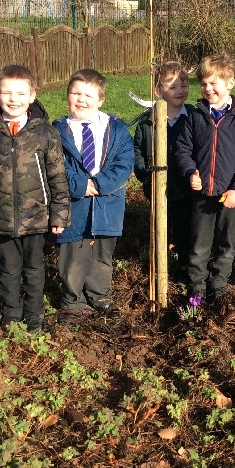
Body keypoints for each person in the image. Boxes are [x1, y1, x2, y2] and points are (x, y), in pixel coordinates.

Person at [0, 65, 70, 333]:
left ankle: (35, 313)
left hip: (36, 216)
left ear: (32, 95)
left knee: (34, 268)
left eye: (21, 93)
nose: (14, 99)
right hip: (0, 217)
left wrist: (59, 214)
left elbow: (57, 176)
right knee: (9, 269)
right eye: (7, 93)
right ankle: (11, 313)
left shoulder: (46, 133)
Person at [54, 69, 134, 317]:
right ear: (67, 95)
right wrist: (79, 185)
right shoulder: (57, 132)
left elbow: (124, 164)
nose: (81, 100)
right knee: (72, 256)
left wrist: (99, 184)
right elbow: (55, 166)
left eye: (89, 95)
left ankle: (99, 296)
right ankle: (73, 302)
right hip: (73, 204)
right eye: (75, 93)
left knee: (102, 255)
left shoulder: (117, 130)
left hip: (107, 204)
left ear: (101, 100)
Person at [175, 52, 235, 306]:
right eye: (204, 84)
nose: (208, 89)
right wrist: (190, 172)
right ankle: (197, 288)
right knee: (199, 244)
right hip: (202, 194)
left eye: (214, 83)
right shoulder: (195, 116)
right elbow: (183, 150)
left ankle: (218, 286)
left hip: (230, 195)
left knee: (226, 243)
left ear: (230, 83)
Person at [133, 61, 194, 284]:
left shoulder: (194, 117)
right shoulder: (148, 121)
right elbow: (138, 150)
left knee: (186, 231)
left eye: (184, 84)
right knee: (160, 230)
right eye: (173, 86)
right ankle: (159, 267)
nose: (180, 91)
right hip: (158, 187)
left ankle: (186, 269)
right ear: (158, 91)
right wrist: (145, 173)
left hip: (187, 190)